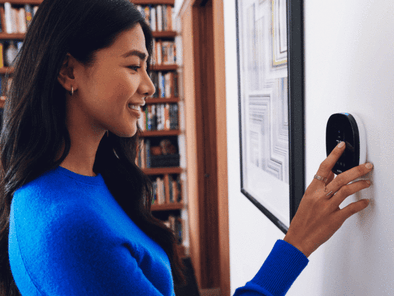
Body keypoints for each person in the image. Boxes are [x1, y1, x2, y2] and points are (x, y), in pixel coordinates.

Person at [0, 0, 373, 295]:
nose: (150, 86)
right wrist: (297, 243)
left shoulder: (53, 187)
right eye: (134, 67)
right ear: (68, 71)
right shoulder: (68, 226)